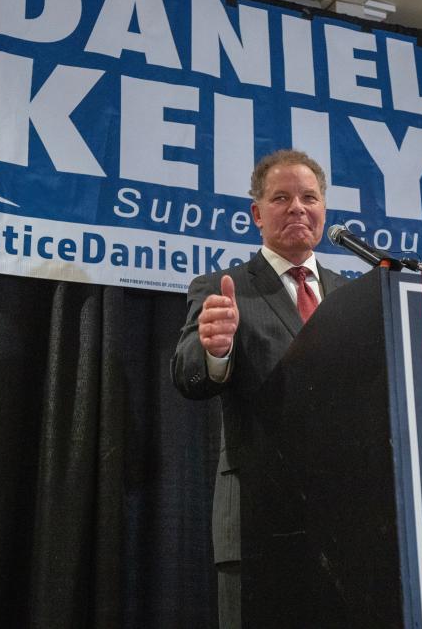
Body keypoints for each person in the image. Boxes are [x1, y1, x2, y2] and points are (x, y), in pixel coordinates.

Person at [171, 149, 349, 628]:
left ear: (324, 209)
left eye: (309, 197)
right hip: (257, 519)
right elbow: (188, 373)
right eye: (281, 198)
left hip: (347, 526)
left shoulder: (353, 295)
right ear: (257, 213)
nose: (297, 208)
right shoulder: (224, 287)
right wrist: (215, 349)